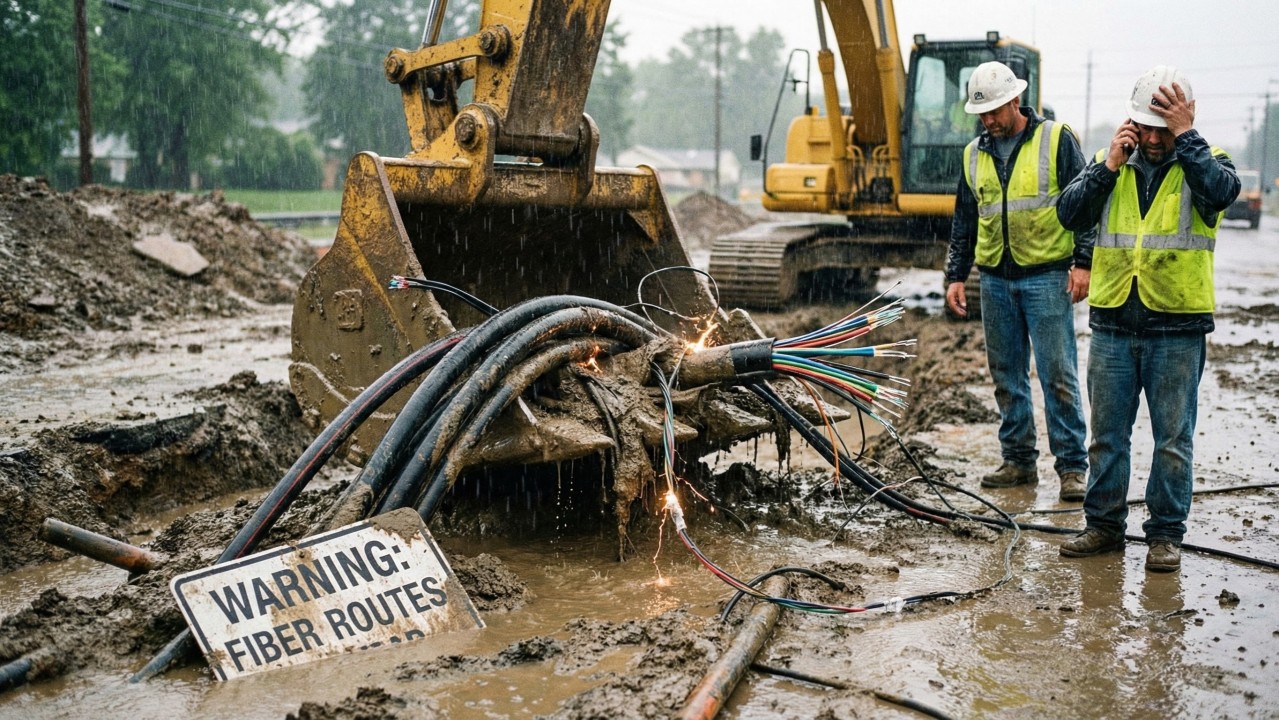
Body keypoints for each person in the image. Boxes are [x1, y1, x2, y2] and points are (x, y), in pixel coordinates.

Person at [1055, 65, 1240, 573]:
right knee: (1107, 435)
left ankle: (1164, 536)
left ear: (1183, 120)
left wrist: (1187, 135)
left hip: (1176, 326)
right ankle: (1104, 526)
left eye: (1164, 128)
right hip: (1115, 322)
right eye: (1146, 127)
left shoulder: (1207, 162)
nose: (1154, 139)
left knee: (1173, 441)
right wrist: (1110, 163)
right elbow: (1070, 214)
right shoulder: (1111, 162)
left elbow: (1222, 193)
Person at [944, 61, 1092, 502]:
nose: (987, 121)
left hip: (1046, 276)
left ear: (1015, 100)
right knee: (1006, 375)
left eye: (993, 111)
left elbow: (1086, 203)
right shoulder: (974, 154)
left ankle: (1071, 467)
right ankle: (1018, 461)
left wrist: (1082, 262)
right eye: (981, 114)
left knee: (1057, 375)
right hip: (995, 281)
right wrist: (955, 274)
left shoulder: (1056, 140)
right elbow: (965, 219)